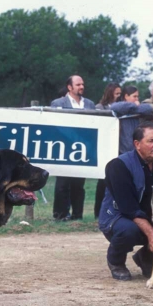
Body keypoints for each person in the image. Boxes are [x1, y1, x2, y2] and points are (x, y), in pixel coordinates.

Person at [98, 122, 153, 280]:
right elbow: (128, 208)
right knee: (129, 230)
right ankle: (116, 261)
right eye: (151, 141)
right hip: (118, 218)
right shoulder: (118, 166)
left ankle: (146, 258)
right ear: (137, 144)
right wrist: (152, 234)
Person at [50, 75, 95, 220]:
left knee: (78, 185)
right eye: (78, 84)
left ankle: (77, 215)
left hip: (82, 149)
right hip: (63, 148)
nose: (81, 87)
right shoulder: (58, 103)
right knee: (62, 184)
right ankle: (60, 215)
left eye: (82, 84)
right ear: (69, 87)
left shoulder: (89, 104)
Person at [94, 83, 122, 218]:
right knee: (102, 182)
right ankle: (98, 212)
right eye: (116, 93)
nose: (118, 96)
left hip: (118, 147)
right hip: (105, 148)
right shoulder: (100, 107)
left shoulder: (122, 107)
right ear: (110, 93)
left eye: (120, 93)